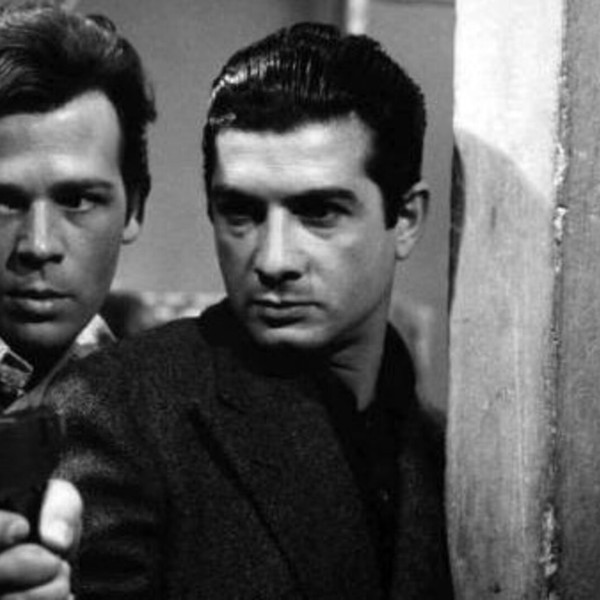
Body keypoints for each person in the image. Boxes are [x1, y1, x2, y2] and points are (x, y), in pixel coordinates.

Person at [50, 22, 453, 599]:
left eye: (319, 212)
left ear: (406, 219)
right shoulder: (118, 409)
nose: (274, 260)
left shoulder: (444, 453)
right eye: (241, 212)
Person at [0, 2, 156, 597]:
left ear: (134, 208)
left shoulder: (167, 411)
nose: (38, 246)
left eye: (77, 200)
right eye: (4, 201)